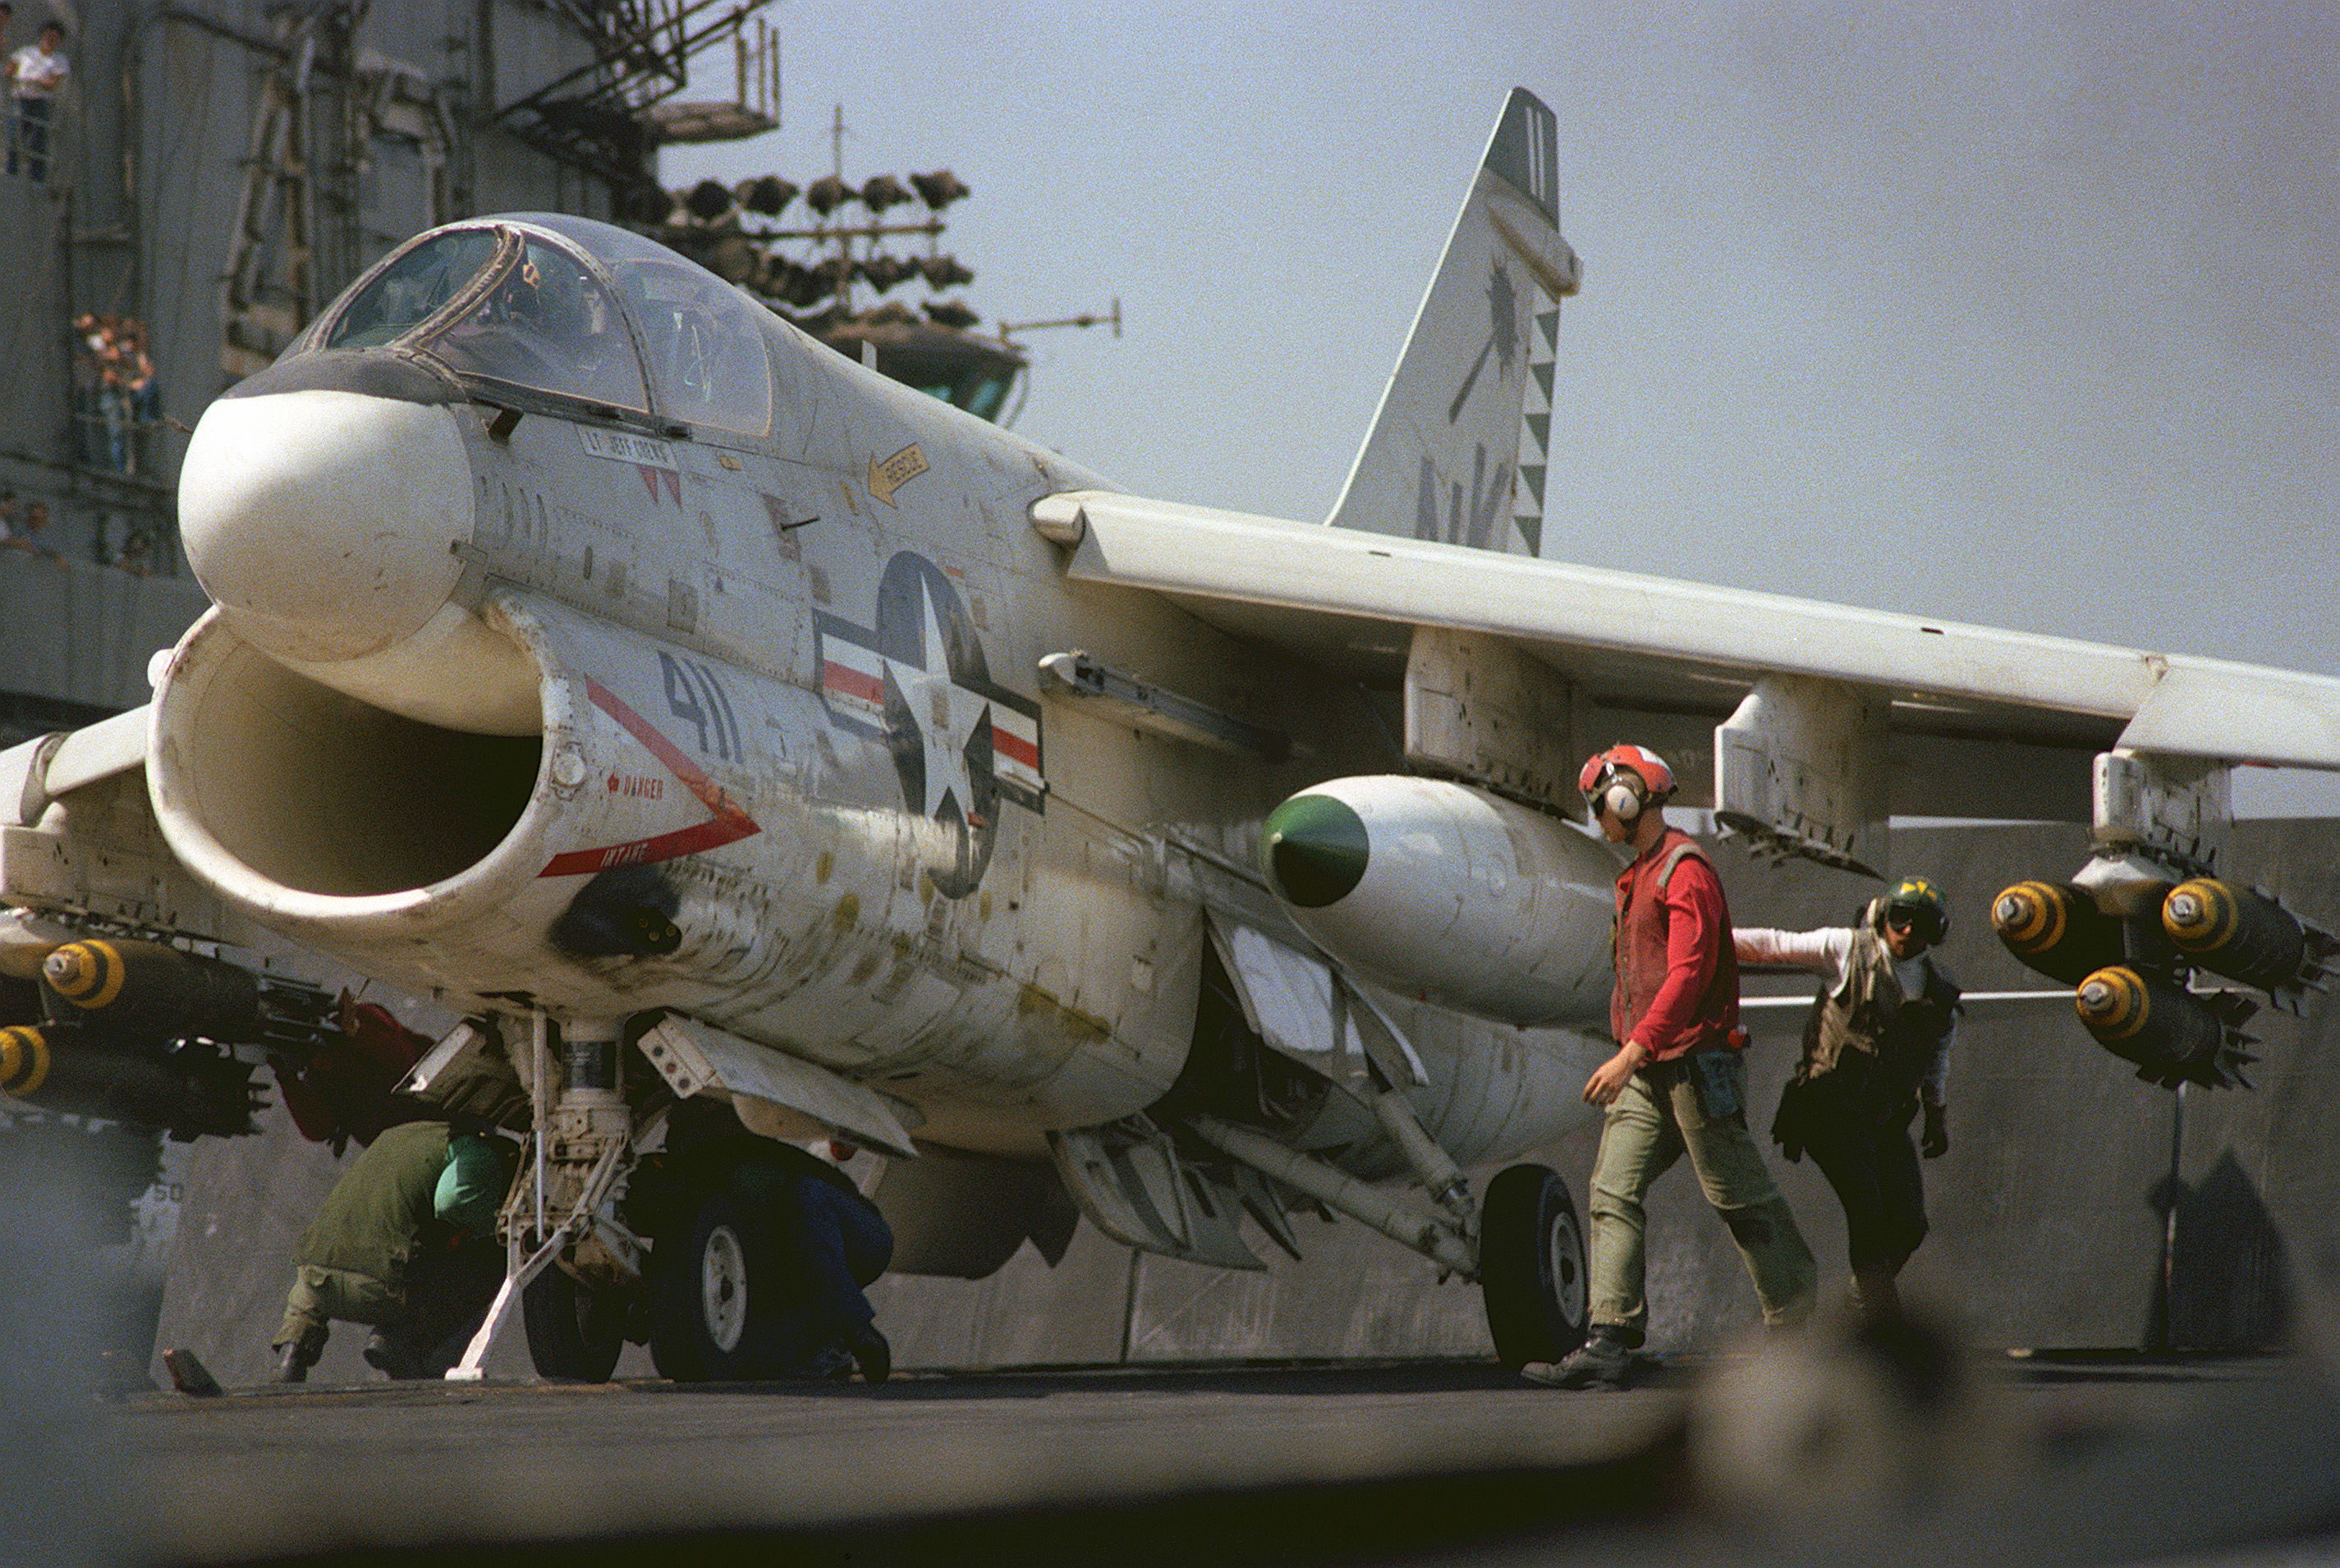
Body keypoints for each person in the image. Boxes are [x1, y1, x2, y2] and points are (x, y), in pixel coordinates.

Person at [1523, 744, 1816, 1390]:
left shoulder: (1684, 872)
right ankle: (1611, 1336)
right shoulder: (1637, 875)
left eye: (1602, 806)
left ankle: (1796, 1333)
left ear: (1628, 800)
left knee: (1737, 1196)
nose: (1600, 818)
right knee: (1611, 1190)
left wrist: (1631, 1051)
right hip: (1651, 1066)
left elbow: (1688, 976)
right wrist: (1634, 1049)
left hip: (1694, 1064)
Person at [1735, 878, 1961, 1322]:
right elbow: (1775, 945)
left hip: (1886, 1120)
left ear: (1936, 931)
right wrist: (1698, 936)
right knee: (1867, 1207)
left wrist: (1936, 1116)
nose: (1907, 931)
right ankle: (1878, 1310)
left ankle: (1863, 1296)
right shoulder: (1847, 950)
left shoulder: (1939, 992)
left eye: (1920, 923)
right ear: (1884, 917)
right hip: (1828, 1110)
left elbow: (1937, 1057)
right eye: (1900, 919)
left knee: (1911, 1225)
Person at [272, 1119, 515, 1382]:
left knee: (327, 1263)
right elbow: (453, 1202)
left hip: (315, 1283)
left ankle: (292, 1355)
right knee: (500, 1257)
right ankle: (400, 1341)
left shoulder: (394, 1138)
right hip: (383, 1289)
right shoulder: (477, 1150)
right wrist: (493, 1226)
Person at [8, 22, 67, 184]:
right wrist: (18, 81)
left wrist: (35, 80)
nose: (50, 40)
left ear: (59, 41)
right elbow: (10, 71)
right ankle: (11, 171)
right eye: (48, 36)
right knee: (15, 136)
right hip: (21, 98)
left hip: (40, 103)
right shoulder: (26, 52)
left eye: (55, 38)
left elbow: (52, 83)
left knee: (39, 140)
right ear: (42, 36)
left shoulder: (59, 60)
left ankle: (37, 178)